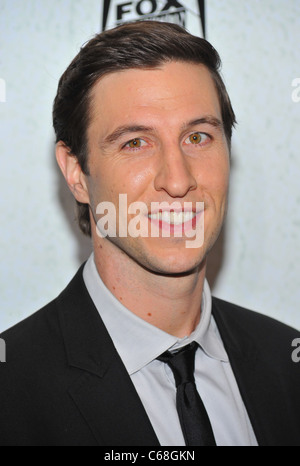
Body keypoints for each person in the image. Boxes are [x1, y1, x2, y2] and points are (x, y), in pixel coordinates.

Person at [0, 21, 299, 447]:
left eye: (198, 137)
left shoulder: (286, 360)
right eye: (135, 143)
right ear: (76, 173)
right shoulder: (11, 389)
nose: (177, 180)